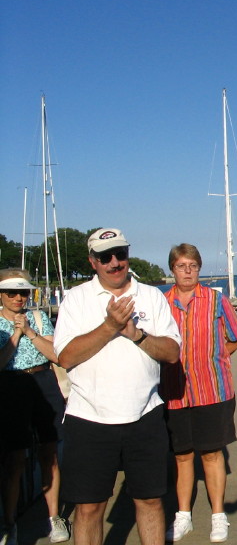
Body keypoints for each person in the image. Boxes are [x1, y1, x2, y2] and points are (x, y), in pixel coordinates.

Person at [54, 228, 181, 545]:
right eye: (105, 257)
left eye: (120, 254)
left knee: (150, 501)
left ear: (127, 254)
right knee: (89, 508)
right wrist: (110, 326)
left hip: (145, 416)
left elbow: (171, 352)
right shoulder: (76, 299)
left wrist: (137, 334)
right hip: (89, 418)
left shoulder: (151, 296)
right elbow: (66, 357)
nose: (114, 262)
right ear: (92, 262)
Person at [160, 244, 237, 543]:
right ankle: (183, 515)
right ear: (172, 269)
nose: (187, 271)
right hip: (174, 392)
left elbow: (236, 337)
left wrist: (217, 356)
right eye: (181, 266)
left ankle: (218, 516)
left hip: (212, 390)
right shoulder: (161, 303)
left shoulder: (216, 300)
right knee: (182, 456)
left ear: (199, 268)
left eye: (193, 266)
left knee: (211, 453)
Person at [0, 269, 69, 545]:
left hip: (43, 381)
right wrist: (16, 334)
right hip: (11, 385)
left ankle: (54, 517)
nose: (19, 298)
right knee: (15, 458)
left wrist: (29, 330)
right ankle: (10, 523)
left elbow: (55, 355)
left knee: (49, 453)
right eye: (12, 293)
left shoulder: (39, 318)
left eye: (24, 292)